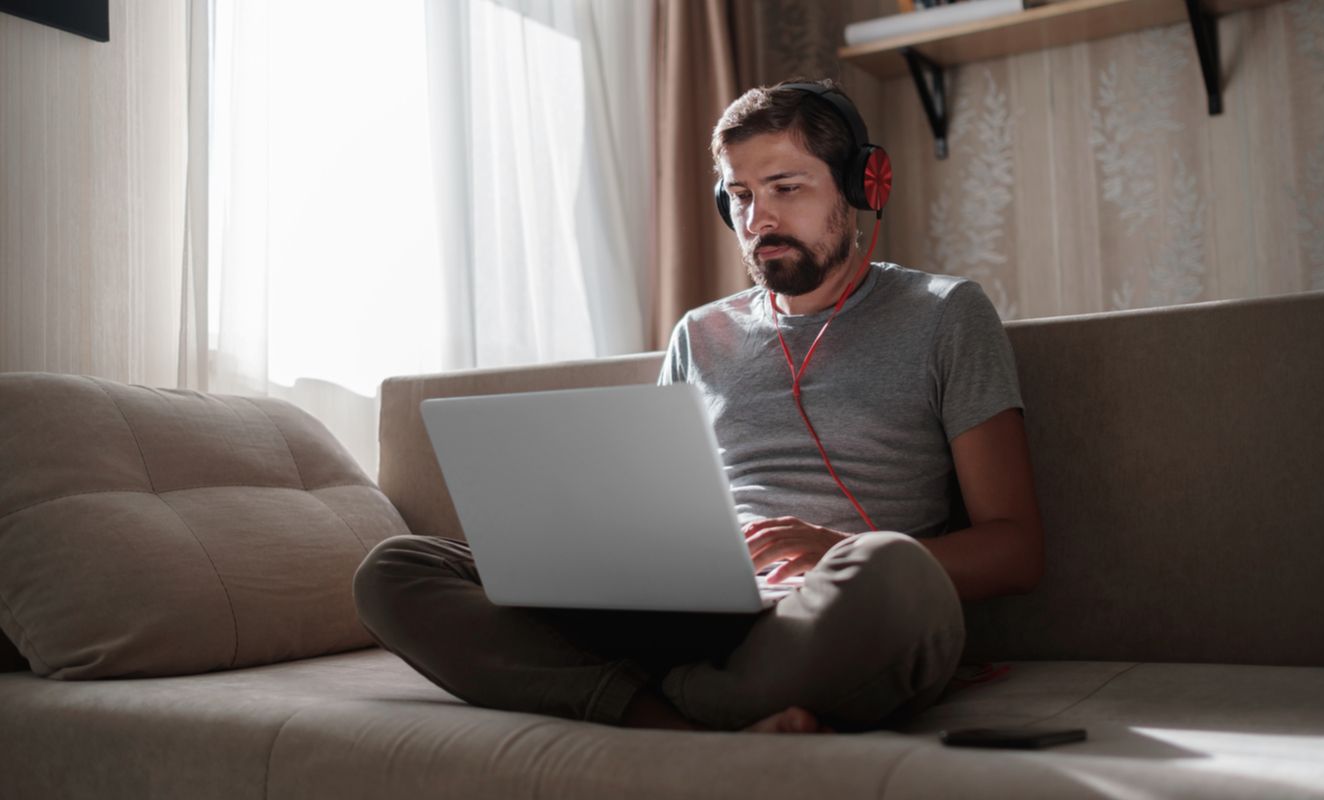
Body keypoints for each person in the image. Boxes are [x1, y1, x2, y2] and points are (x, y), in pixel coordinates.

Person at [353, 79, 1044, 735]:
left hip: (830, 608)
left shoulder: (946, 315)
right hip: (692, 610)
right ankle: (681, 715)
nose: (758, 218)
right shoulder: (700, 333)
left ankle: (654, 702)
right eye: (739, 195)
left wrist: (838, 549)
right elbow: (654, 505)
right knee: (395, 570)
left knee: (897, 575)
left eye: (785, 188)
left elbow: (1016, 550)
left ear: (861, 186)